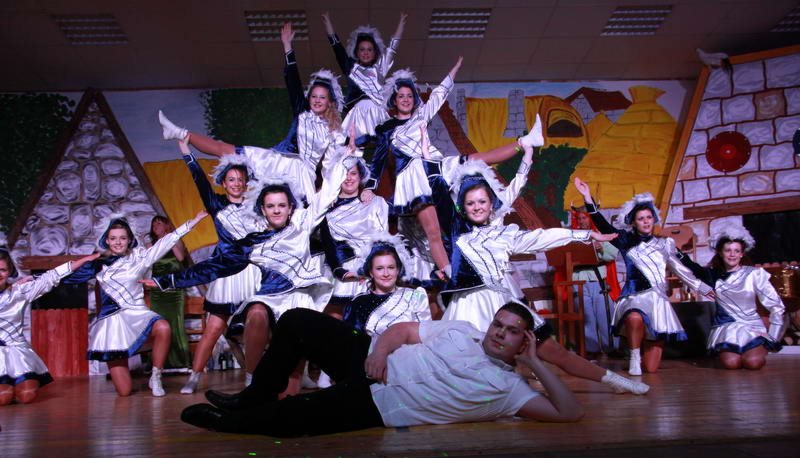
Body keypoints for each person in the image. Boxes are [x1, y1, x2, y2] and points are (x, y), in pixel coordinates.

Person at [427, 149, 647, 395]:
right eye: (470, 203)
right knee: (462, 366)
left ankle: (617, 382)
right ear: (462, 207)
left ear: (491, 204)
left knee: (555, 352)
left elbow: (542, 237)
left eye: (482, 202)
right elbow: (435, 188)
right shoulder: (457, 231)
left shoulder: (505, 235)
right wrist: (426, 153)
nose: (477, 207)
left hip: (503, 304)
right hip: (467, 309)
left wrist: (586, 235)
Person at [180, 303, 584, 436]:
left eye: (511, 332)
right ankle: (253, 396)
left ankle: (231, 422)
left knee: (297, 416)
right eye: (498, 324)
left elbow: (568, 412)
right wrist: (381, 352)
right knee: (298, 320)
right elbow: (404, 330)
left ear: (523, 342)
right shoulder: (462, 330)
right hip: (372, 357)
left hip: (382, 402)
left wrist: (534, 363)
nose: (499, 333)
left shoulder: (510, 389)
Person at [145, 147, 354, 386]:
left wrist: (344, 160)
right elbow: (215, 266)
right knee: (255, 312)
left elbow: (327, 194)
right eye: (271, 206)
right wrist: (167, 280)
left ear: (290, 208)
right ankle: (252, 381)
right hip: (269, 296)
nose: (277, 210)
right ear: (262, 210)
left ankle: (293, 383)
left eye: (281, 205)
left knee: (291, 381)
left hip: (299, 299)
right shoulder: (253, 242)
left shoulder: (302, 223)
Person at [364, 63, 544, 278]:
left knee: (476, 159)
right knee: (433, 230)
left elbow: (437, 96)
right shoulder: (386, 129)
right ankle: (451, 273)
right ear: (394, 99)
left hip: (435, 165)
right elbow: (378, 159)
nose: (405, 99)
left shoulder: (421, 116)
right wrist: (369, 187)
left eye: (409, 96)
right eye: (401, 96)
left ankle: (526, 141)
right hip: (413, 177)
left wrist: (453, 71)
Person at [159, 22, 346, 198]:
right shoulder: (303, 112)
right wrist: (287, 47)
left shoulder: (335, 132)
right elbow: (293, 83)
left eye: (322, 97)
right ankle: (178, 132)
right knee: (226, 150)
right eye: (313, 96)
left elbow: (333, 164)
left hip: (303, 175)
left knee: (298, 212)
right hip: (277, 160)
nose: (317, 100)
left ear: (330, 102)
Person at [573, 177, 714, 375]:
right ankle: (634, 355)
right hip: (634, 296)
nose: (646, 222)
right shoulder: (625, 240)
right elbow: (605, 228)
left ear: (654, 219)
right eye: (641, 218)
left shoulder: (665, 244)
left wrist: (702, 287)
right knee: (634, 317)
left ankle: (640, 349)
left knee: (651, 369)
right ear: (633, 222)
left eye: (649, 217)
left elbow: (680, 269)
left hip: (657, 302)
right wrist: (588, 199)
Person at [62, 211, 207, 397]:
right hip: (112, 325)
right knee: (125, 391)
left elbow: (168, 240)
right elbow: (64, 278)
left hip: (137, 315)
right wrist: (35, 281)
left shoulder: (140, 257)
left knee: (163, 327)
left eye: (122, 238)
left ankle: (155, 376)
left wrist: (193, 221)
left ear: (129, 239)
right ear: (106, 240)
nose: (118, 242)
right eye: (113, 238)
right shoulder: (98, 263)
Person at [173, 138, 263, 394]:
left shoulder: (257, 207)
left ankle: (251, 376)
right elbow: (200, 181)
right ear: (224, 183)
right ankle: (194, 376)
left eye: (240, 179)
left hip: (251, 273)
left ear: (246, 182)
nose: (236, 184)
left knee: (255, 327)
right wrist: (186, 151)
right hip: (226, 274)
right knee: (214, 328)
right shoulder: (217, 205)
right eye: (231, 179)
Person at [0, 237, 98, 405]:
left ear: (9, 272)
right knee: (4, 397)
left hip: (16, 350)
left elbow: (51, 277)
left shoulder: (18, 292)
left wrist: (83, 261)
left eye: (2, 270)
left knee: (27, 395)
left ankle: (11, 384)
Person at [677, 225, 786, 370]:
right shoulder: (712, 275)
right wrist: (673, 250)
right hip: (727, 328)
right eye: (728, 250)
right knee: (731, 363)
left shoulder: (754, 274)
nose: (732, 254)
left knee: (753, 362)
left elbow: (776, 306)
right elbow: (690, 266)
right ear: (720, 253)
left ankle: (756, 350)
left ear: (742, 254)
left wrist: (772, 336)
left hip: (752, 327)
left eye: (736, 251)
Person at [318, 155, 388, 314]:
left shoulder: (376, 203)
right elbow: (328, 246)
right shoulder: (324, 208)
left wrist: (368, 268)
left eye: (353, 173)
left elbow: (382, 240)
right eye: (344, 173)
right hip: (339, 273)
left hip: (368, 271)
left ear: (361, 176)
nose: (348, 178)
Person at [322, 11, 407, 139]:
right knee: (351, 145)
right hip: (357, 115)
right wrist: (327, 21)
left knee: (385, 143)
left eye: (369, 49)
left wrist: (402, 22)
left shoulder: (380, 69)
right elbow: (337, 47)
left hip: (377, 113)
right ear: (356, 52)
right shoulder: (351, 68)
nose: (366, 53)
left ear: (375, 53)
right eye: (362, 49)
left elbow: (392, 47)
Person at [553, 205, 622, 359]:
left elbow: (612, 254)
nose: (581, 221)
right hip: (579, 281)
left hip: (598, 280)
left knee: (605, 314)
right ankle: (591, 349)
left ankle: (611, 348)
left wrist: (600, 249)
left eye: (584, 218)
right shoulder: (572, 238)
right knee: (586, 317)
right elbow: (561, 258)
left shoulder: (599, 235)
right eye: (579, 218)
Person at [342, 234, 431, 336]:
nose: (386, 274)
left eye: (391, 267)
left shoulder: (416, 296)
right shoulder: (357, 303)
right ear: (371, 272)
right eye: (379, 268)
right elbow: (351, 339)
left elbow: (426, 335)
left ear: (398, 270)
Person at [147, 216, 193, 371]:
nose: (155, 226)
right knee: (159, 324)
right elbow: (146, 263)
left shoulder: (175, 241)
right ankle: (159, 362)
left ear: (166, 226)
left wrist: (169, 239)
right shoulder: (151, 245)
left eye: (159, 223)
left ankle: (180, 360)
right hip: (157, 292)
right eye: (153, 223)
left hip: (174, 290)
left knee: (175, 323)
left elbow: (180, 257)